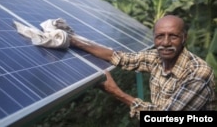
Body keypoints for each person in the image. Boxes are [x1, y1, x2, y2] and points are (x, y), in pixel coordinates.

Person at [69, 15, 216, 118]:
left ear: (184, 38)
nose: (165, 43)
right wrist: (74, 41)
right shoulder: (156, 57)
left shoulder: (198, 74)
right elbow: (121, 58)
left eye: (173, 36)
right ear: (154, 38)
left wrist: (117, 92)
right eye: (160, 36)